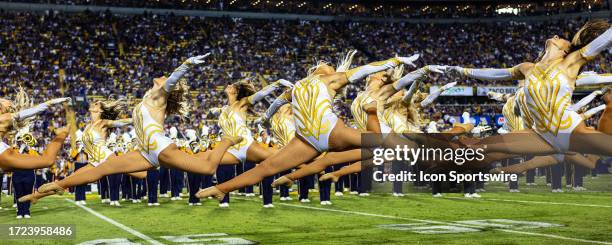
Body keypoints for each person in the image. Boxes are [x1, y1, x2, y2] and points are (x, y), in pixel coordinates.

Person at [197, 53, 422, 200]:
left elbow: (365, 69)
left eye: (329, 66)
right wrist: (266, 118)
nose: (326, 64)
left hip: (331, 131)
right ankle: (221, 189)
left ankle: (382, 123)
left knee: (382, 142)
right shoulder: (298, 86)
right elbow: (277, 101)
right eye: (325, 64)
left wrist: (395, 62)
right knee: (264, 168)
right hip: (306, 139)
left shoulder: (330, 80)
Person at [33, 54, 243, 197]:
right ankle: (59, 185)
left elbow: (171, 82)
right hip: (145, 150)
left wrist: (186, 65)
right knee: (103, 168)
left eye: (165, 77)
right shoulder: (147, 97)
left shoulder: (159, 95)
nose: (163, 76)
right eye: (164, 76)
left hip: (159, 146)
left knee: (207, 168)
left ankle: (227, 141)